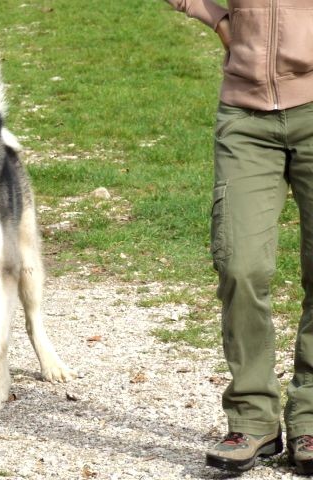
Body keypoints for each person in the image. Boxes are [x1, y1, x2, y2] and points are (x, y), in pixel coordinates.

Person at [164, 0, 313, 475]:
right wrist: (219, 18)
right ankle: (254, 420)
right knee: (239, 264)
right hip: (245, 120)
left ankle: (310, 418)